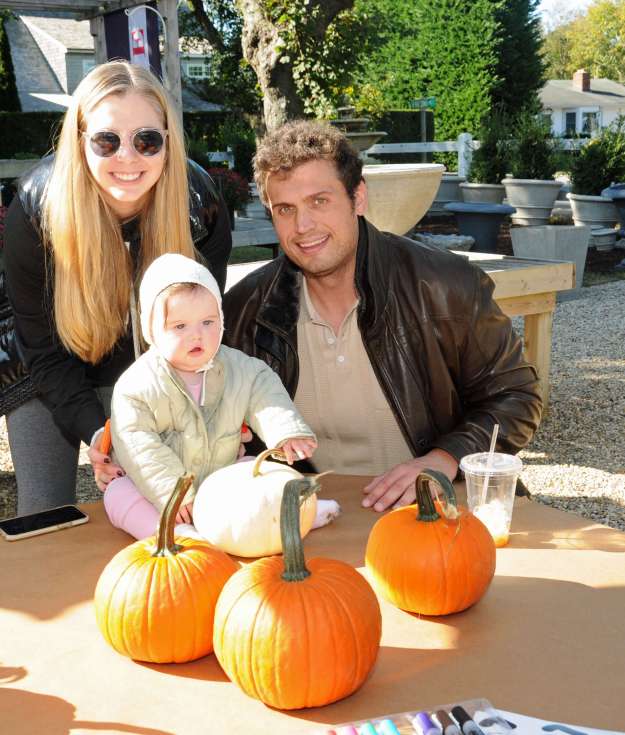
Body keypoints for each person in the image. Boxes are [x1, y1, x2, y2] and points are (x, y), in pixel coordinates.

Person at [223, 119, 543, 512]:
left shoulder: (446, 287)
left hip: (436, 510)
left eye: (319, 201)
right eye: (285, 209)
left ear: (358, 198)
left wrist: (443, 460)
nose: (302, 226)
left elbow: (516, 396)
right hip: (308, 521)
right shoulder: (242, 312)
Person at [3, 61, 232, 515]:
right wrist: (100, 433)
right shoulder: (33, 210)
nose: (128, 157)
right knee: (46, 510)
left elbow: (200, 332)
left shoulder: (200, 204)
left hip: (146, 361)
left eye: (147, 140)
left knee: (172, 496)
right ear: (80, 141)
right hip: (44, 361)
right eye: (107, 140)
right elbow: (43, 350)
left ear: (168, 141)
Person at [104, 253, 317, 539]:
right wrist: (172, 491)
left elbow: (265, 395)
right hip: (161, 492)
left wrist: (286, 431)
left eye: (207, 322)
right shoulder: (137, 386)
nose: (197, 335)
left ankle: (292, 515)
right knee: (118, 494)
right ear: (151, 332)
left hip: (221, 476)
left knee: (259, 473)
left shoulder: (239, 368)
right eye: (180, 326)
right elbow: (137, 446)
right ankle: (174, 534)